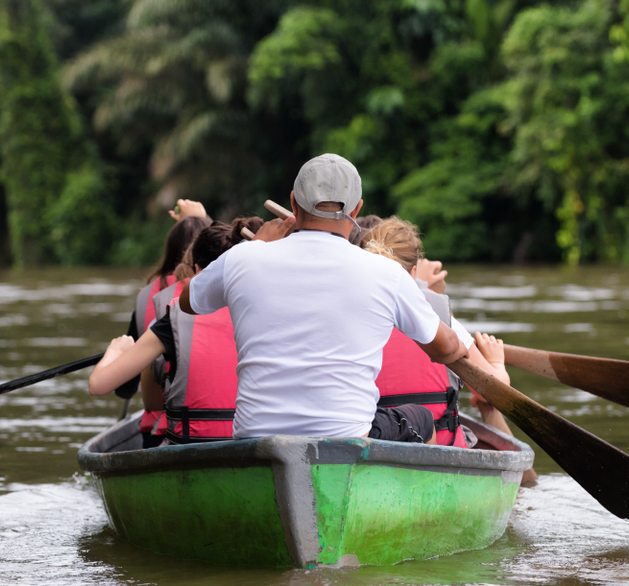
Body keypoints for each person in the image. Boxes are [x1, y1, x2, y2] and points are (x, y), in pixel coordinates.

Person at [179, 154, 469, 443]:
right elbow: (445, 349)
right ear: (356, 209)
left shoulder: (242, 258)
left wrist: (256, 246)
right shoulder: (388, 273)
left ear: (293, 203)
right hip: (347, 440)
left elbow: (187, 301)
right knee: (422, 420)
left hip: (255, 440)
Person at [89, 218, 262, 445]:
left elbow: (99, 385)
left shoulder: (173, 318)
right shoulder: (264, 312)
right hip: (253, 442)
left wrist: (115, 351)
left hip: (190, 446)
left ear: (196, 269)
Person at [362, 217, 509, 447]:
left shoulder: (354, 315)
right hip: (443, 445)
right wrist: (497, 362)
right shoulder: (440, 314)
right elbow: (495, 392)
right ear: (413, 272)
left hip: (378, 444)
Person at [120, 206, 210, 444]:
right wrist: (201, 219)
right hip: (219, 425)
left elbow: (124, 387)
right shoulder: (224, 292)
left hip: (160, 428)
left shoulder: (148, 297)